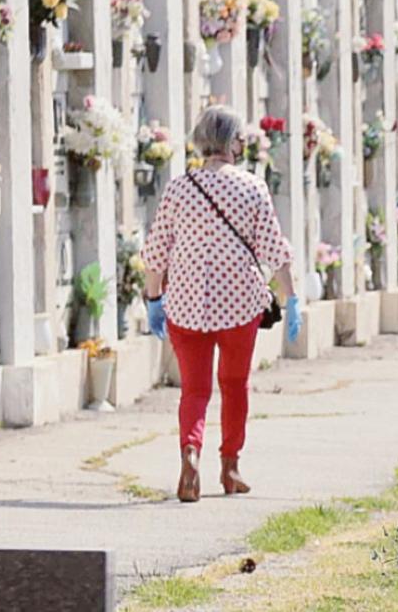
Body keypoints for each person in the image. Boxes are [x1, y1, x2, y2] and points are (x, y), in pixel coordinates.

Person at [142, 105, 295, 503]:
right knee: (234, 386)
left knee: (194, 390)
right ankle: (230, 468)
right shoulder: (251, 188)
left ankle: (190, 454)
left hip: (186, 304)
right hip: (239, 305)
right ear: (232, 142)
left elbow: (157, 251)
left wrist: (154, 298)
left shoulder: (179, 188)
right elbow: (275, 252)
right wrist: (290, 300)